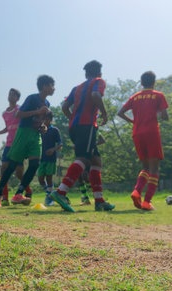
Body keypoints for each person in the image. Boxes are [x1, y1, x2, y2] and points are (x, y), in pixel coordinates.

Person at [50, 60, 115, 212]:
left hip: (75, 126)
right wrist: (104, 113)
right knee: (83, 158)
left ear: (86, 74)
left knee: (96, 160)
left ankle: (99, 201)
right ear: (100, 73)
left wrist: (73, 119)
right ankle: (60, 192)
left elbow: (65, 107)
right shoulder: (99, 81)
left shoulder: (77, 88)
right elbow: (95, 95)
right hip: (88, 126)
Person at [0, 75, 54, 207]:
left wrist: (43, 127)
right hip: (23, 133)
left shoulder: (47, 104)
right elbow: (18, 114)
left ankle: (18, 193)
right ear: (45, 86)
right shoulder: (32, 98)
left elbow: (42, 122)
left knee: (34, 164)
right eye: (52, 85)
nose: (54, 88)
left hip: (36, 136)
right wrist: (37, 111)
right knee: (12, 166)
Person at [117, 71, 169, 211]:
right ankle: (147, 202)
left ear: (141, 83)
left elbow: (120, 112)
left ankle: (137, 191)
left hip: (137, 133)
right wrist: (161, 114)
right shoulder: (158, 95)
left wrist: (133, 121)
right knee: (154, 168)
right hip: (152, 132)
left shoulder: (134, 97)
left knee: (145, 167)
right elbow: (164, 116)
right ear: (154, 82)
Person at [0, 88, 32, 206]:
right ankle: (4, 198)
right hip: (8, 144)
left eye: (13, 95)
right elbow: (7, 128)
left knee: (18, 173)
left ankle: (28, 191)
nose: (11, 96)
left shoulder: (20, 109)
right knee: (4, 169)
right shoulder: (4, 113)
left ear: (17, 98)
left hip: (19, 144)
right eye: (9, 94)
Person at [37, 111, 62, 206]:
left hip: (51, 158)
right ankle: (50, 193)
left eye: (47, 119)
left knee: (49, 178)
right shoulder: (40, 130)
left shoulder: (55, 130)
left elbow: (60, 144)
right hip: (41, 158)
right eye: (44, 119)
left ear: (51, 120)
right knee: (40, 179)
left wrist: (53, 149)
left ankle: (49, 198)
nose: (45, 120)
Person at [77, 134, 105, 205]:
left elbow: (102, 140)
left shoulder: (93, 128)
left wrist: (92, 145)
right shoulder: (80, 130)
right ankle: (86, 199)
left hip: (89, 155)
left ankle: (98, 197)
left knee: (86, 177)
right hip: (82, 154)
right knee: (80, 178)